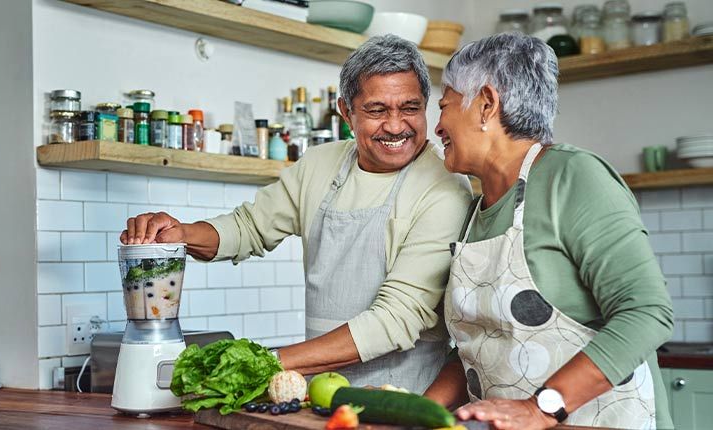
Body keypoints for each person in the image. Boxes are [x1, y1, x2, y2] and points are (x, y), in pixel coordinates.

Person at [121, 35, 473, 393]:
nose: (396, 126)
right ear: (346, 112)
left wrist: (264, 362)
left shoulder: (444, 188)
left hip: (404, 401)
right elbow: (250, 228)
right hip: (317, 397)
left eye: (410, 108)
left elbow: (396, 318)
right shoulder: (321, 165)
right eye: (377, 110)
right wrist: (182, 233)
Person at [423, 33, 674, 429]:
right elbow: (482, 350)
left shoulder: (574, 176)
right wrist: (419, 414)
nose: (437, 128)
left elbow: (646, 312)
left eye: (445, 107)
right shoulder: (475, 211)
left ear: (486, 104)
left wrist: (539, 409)